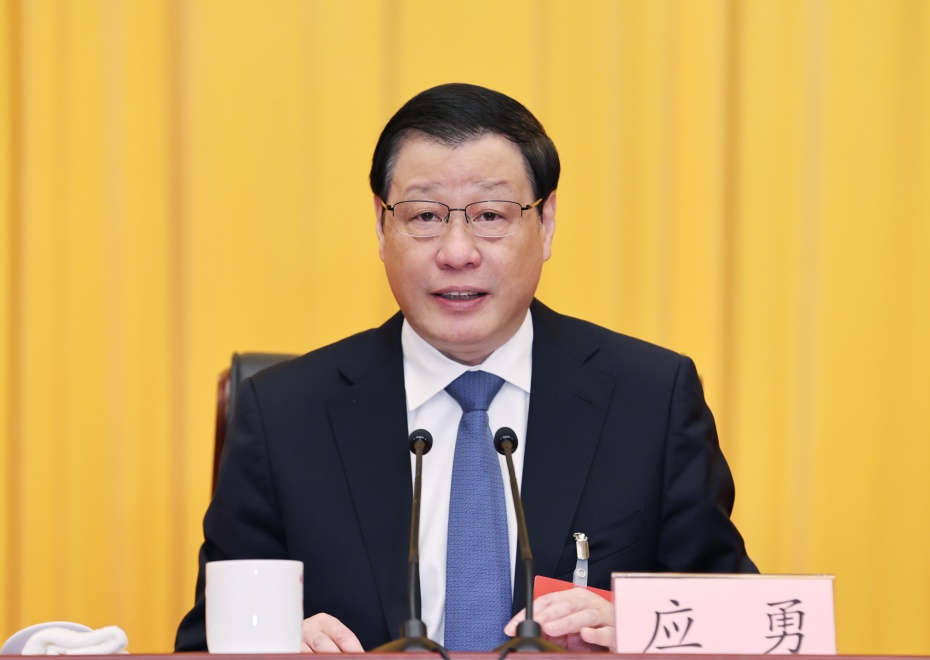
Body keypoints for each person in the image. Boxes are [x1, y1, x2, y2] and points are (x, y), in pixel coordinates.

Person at [175, 82, 756, 654]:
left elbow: (743, 628)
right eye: (425, 215)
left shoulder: (649, 399)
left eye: (490, 214)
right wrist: (269, 645)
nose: (457, 252)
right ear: (381, 225)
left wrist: (640, 629)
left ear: (547, 223)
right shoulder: (282, 415)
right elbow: (202, 645)